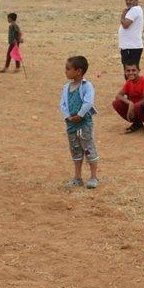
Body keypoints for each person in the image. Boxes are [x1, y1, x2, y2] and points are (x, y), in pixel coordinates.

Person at [60, 55, 99, 188]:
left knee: (88, 148)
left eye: (68, 69)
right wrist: (68, 117)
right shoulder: (66, 88)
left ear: (78, 71)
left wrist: (80, 115)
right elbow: (62, 104)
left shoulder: (87, 86)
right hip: (71, 124)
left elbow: (88, 102)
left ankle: (93, 177)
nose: (65, 71)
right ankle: (77, 177)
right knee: (75, 149)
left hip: (84, 123)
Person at [112, 62, 144, 133]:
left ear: (139, 71)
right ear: (125, 72)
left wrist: (134, 106)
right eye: (128, 71)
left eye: (133, 70)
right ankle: (137, 123)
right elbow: (118, 96)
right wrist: (130, 103)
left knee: (138, 106)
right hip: (136, 107)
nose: (131, 73)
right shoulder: (129, 82)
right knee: (116, 103)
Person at [119, 0, 144, 67]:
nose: (128, 2)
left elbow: (125, 25)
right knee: (130, 70)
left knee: (130, 70)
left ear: (136, 0)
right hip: (130, 46)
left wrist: (123, 15)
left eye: (130, 0)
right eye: (126, 0)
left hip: (131, 47)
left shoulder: (134, 10)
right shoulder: (135, 10)